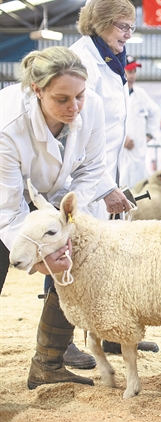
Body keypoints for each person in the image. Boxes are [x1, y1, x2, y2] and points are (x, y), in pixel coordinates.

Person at [0, 46, 106, 388]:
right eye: (61, 99)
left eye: (80, 96)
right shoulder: (7, 124)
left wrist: (66, 225)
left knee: (71, 261)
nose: (73, 107)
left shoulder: (92, 110)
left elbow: (92, 170)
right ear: (37, 90)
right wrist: (39, 255)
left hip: (51, 198)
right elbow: (8, 207)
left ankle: (47, 365)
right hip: (6, 197)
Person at [70, 0, 158, 354]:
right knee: (75, 254)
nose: (128, 34)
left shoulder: (110, 59)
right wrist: (103, 184)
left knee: (102, 256)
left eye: (131, 27)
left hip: (104, 171)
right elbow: (81, 133)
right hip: (81, 175)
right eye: (122, 26)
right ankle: (59, 346)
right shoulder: (82, 62)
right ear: (100, 23)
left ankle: (107, 332)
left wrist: (109, 182)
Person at [120, 56, 161, 189]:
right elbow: (105, 121)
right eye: (129, 71)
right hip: (120, 151)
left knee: (138, 189)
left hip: (137, 152)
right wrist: (121, 138)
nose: (132, 76)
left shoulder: (140, 94)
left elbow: (155, 111)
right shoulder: (115, 93)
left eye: (134, 72)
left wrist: (149, 134)